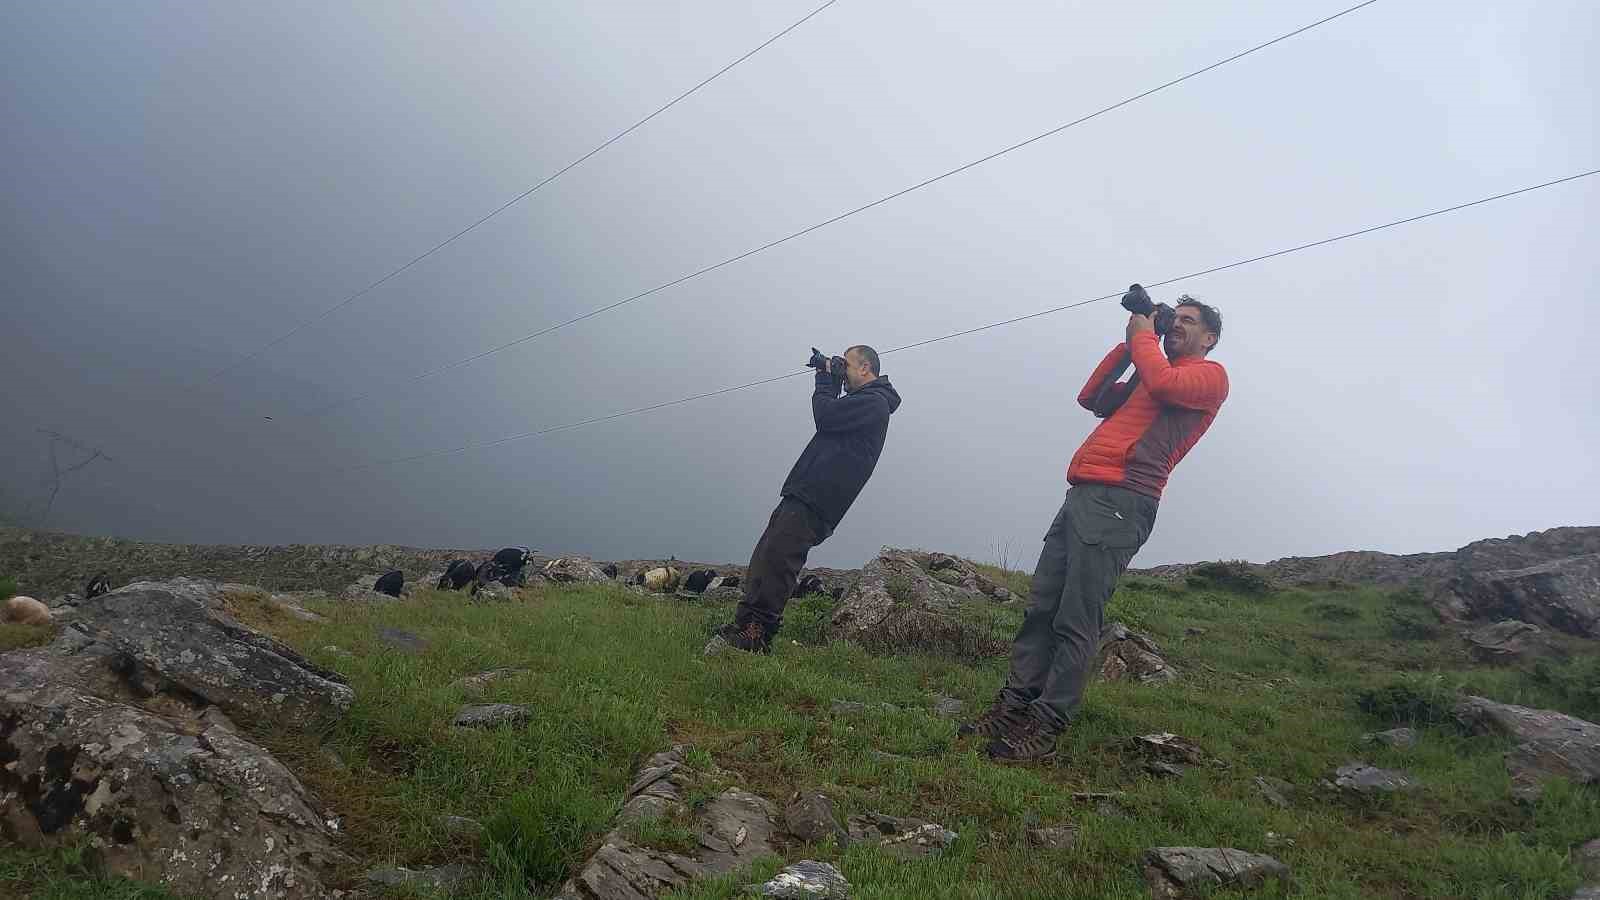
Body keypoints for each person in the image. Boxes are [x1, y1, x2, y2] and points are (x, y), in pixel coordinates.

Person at [960, 297, 1228, 761]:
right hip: (1084, 493)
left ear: (1209, 338)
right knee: (1042, 607)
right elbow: (1091, 397)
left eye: (1188, 321)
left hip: (1123, 500)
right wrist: (1130, 344)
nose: (1177, 326)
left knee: (1076, 617)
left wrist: (1144, 336)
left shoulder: (1208, 377)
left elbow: (1165, 383)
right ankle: (1014, 706)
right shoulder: (1149, 370)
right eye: (1174, 319)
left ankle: (1046, 724)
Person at [707, 345, 902, 654]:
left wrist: (826, 381)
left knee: (781, 560)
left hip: (819, 497)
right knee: (767, 555)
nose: (842, 369)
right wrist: (832, 376)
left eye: (846, 364)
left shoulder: (875, 403)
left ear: (865, 368)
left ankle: (758, 635)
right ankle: (744, 625)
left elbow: (825, 416)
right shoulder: (862, 401)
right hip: (805, 491)